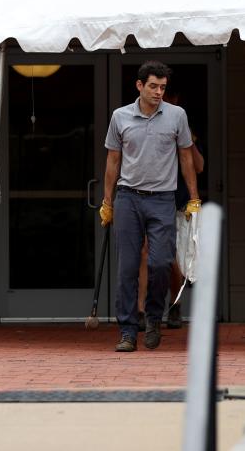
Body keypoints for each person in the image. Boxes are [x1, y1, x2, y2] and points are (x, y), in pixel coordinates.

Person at [100, 61, 200, 352]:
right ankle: (128, 331)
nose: (158, 92)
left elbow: (186, 158)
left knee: (160, 262)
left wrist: (194, 197)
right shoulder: (120, 117)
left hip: (162, 198)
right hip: (128, 197)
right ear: (139, 86)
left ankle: (154, 317)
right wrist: (108, 203)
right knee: (128, 268)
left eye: (163, 87)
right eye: (154, 86)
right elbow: (113, 161)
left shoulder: (176, 116)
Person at [136, 88, 203, 331]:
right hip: (149, 199)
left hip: (177, 201)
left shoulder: (181, 124)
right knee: (144, 252)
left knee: (170, 258)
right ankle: (141, 310)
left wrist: (188, 142)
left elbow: (198, 166)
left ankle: (174, 305)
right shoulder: (144, 124)